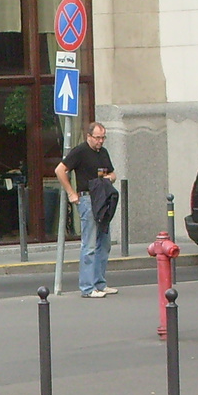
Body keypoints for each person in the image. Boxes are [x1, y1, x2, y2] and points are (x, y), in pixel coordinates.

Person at [54, 122, 118, 298]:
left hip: (102, 198)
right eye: (97, 138)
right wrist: (71, 193)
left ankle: (100, 283)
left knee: (103, 242)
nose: (100, 141)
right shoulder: (80, 151)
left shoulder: (103, 152)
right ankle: (87, 287)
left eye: (103, 137)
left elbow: (113, 173)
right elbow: (60, 170)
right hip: (87, 198)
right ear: (88, 136)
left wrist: (109, 178)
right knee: (89, 244)